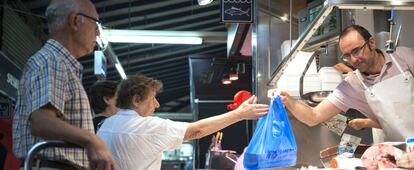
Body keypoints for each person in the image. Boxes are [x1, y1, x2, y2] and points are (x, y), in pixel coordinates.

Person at [12, 0, 116, 169]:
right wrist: (92, 140)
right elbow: (41, 122)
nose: (97, 33)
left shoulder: (61, 65)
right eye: (95, 24)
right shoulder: (51, 61)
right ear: (75, 21)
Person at [268, 24, 414, 142]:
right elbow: (314, 116)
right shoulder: (351, 86)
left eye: (356, 51)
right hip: (400, 151)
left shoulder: (403, 56)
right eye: (347, 56)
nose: (353, 60)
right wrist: (288, 99)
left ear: (371, 43)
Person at [97, 75, 269, 170]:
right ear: (136, 99)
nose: (157, 105)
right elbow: (196, 130)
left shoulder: (105, 126)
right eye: (153, 99)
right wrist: (239, 114)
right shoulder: (146, 126)